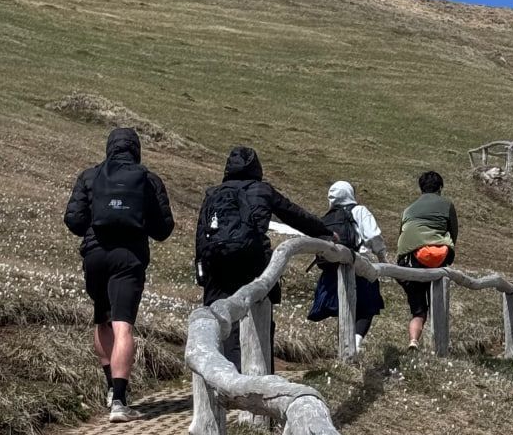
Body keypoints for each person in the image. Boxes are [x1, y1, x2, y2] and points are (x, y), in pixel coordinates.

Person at [64, 127, 174, 422]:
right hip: (129, 256)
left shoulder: (91, 175)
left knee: (103, 319)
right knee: (123, 325)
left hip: (95, 255)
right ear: (136, 149)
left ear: (109, 147)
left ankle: (110, 389)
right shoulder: (148, 179)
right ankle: (121, 402)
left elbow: (73, 221)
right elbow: (164, 229)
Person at [195, 146, 333, 371]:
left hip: (216, 264)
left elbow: (202, 232)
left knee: (219, 320)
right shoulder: (262, 190)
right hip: (253, 262)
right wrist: (325, 232)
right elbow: (294, 214)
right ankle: (257, 376)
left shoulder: (213, 193)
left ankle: (222, 379)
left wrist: (200, 268)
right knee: (257, 318)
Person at [308, 181, 387, 349]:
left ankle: (345, 344)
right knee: (366, 308)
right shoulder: (359, 211)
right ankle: (356, 343)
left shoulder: (327, 217)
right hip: (360, 266)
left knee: (345, 306)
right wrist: (382, 258)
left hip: (332, 269)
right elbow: (373, 236)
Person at [395, 171, 459, 350]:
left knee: (419, 310)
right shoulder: (447, 204)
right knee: (437, 302)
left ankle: (414, 340)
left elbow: (402, 235)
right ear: (440, 188)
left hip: (408, 261)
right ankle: (439, 347)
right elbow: (453, 232)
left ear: (421, 188)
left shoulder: (408, 209)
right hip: (436, 260)